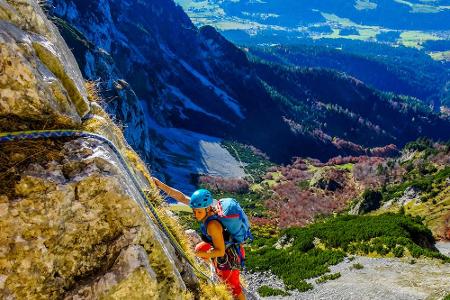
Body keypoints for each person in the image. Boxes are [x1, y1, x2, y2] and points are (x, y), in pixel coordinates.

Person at [152, 177, 246, 300]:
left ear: (207, 209)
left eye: (199, 212)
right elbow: (181, 198)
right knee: (199, 248)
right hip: (222, 243)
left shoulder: (213, 225)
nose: (196, 215)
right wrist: (161, 185)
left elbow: (221, 251)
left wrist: (199, 255)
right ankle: (216, 268)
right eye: (194, 211)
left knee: (234, 288)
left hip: (231, 254)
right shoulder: (204, 207)